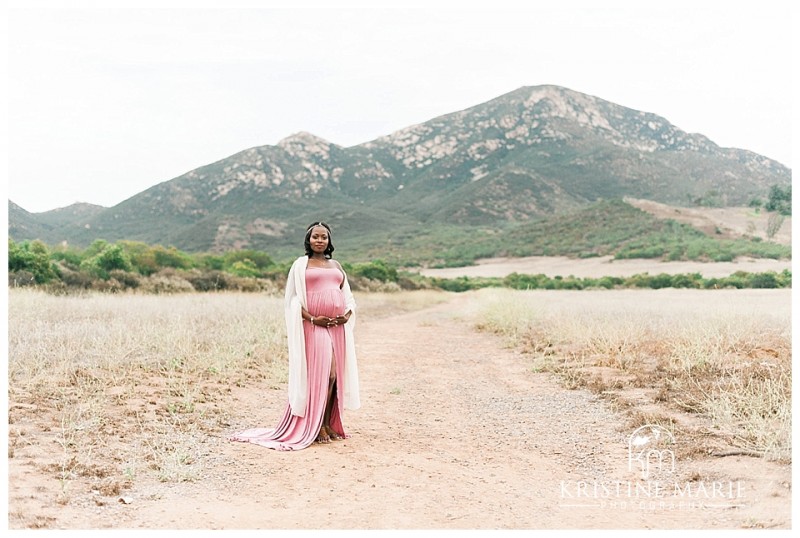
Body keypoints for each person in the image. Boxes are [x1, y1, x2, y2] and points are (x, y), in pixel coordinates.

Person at [229, 222, 360, 450]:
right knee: (323, 375)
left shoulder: (336, 265)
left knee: (335, 376)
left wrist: (347, 314)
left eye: (324, 237)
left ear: (329, 241)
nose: (320, 241)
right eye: (315, 237)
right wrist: (311, 318)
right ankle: (315, 424)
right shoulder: (300, 265)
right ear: (308, 240)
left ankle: (328, 422)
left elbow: (347, 296)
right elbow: (292, 300)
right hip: (315, 326)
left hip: (337, 327)